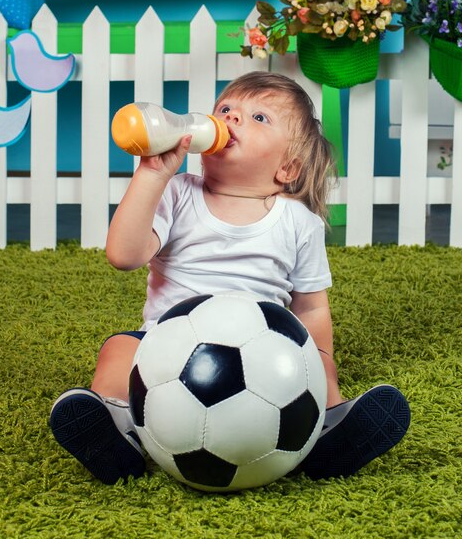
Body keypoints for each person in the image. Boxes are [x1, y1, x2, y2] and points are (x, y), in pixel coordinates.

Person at [49, 71, 410, 485]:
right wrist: (151, 175)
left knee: (316, 368)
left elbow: (311, 306)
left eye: (258, 118)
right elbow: (124, 255)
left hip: (267, 356)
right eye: (226, 109)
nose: (233, 118)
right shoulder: (179, 192)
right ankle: (113, 426)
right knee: (118, 348)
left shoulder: (297, 222)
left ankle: (329, 428)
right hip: (163, 348)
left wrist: (321, 363)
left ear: (287, 168)